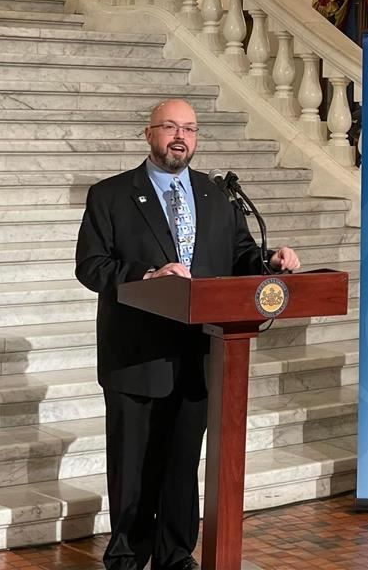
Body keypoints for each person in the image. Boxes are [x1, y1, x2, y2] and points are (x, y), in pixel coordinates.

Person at [75, 98, 300, 570]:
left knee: (182, 463)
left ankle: (176, 554)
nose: (181, 136)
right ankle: (128, 555)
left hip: (201, 351)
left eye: (191, 129)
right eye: (171, 127)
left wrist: (270, 264)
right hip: (136, 354)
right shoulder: (110, 195)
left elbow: (240, 257)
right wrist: (149, 273)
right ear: (148, 133)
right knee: (134, 463)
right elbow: (92, 267)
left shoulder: (216, 196)